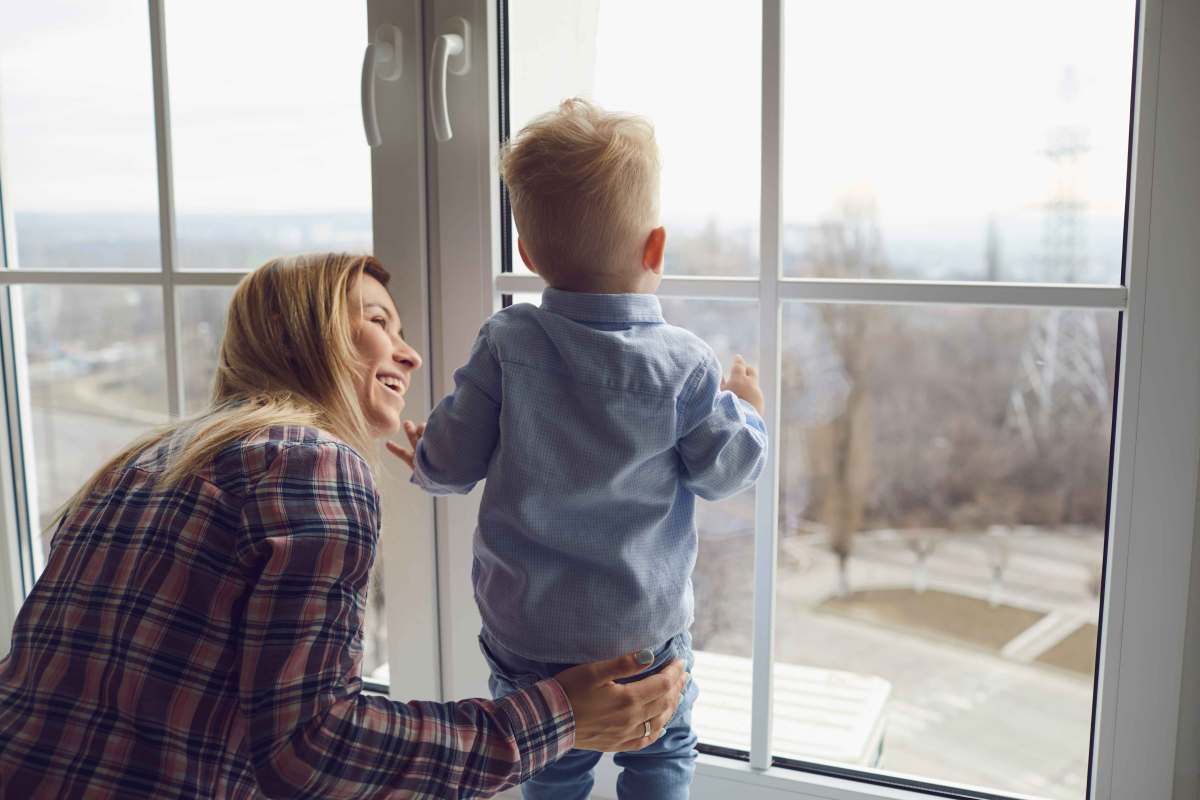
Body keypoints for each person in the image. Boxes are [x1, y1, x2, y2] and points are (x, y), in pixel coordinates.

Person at [0, 253, 687, 799]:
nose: (411, 354)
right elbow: (309, 753)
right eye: (379, 322)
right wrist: (558, 717)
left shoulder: (144, 461)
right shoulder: (307, 462)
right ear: (309, 336)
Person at [391, 99, 768, 800]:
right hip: (642, 633)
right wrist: (745, 407)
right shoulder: (682, 363)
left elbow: (451, 460)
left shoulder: (508, 342)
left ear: (529, 256)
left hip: (530, 632)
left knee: (550, 765)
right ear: (655, 248)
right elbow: (724, 473)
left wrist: (424, 455)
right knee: (661, 756)